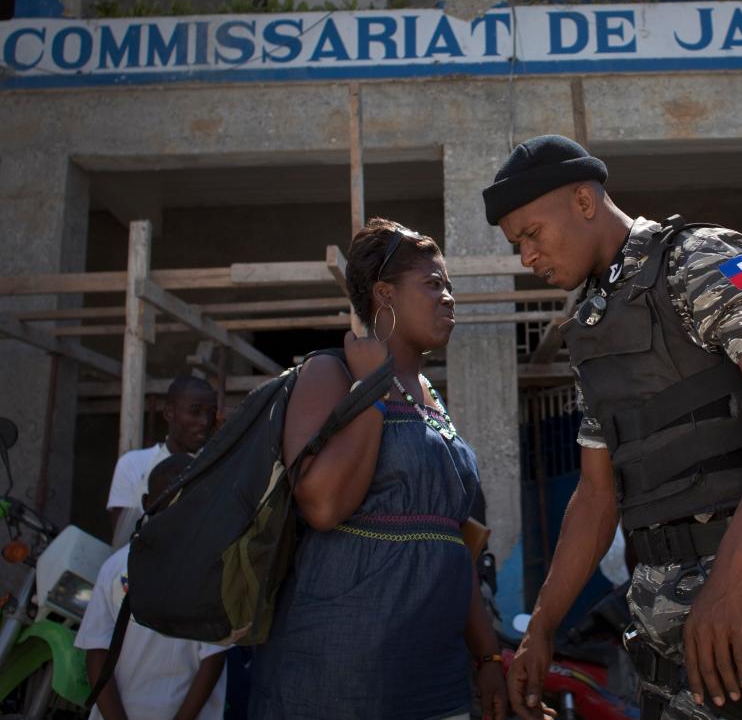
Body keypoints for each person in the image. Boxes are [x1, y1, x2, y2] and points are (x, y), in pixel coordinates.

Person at [487, 135, 742, 720]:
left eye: (531, 234)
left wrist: (731, 573)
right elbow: (597, 496)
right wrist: (541, 627)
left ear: (584, 202)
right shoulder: (592, 324)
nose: (526, 257)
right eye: (517, 244)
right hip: (660, 627)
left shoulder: (696, 259)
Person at [248, 218, 509, 720]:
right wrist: (371, 391)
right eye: (434, 284)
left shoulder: (433, 397)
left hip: (435, 675)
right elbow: (322, 505)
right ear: (385, 294)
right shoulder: (330, 374)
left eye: (449, 286)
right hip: (344, 672)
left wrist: (487, 654)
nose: (449, 297)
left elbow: (453, 543)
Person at [78, 453, 228, 720]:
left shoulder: (211, 572)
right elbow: (96, 651)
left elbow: (213, 659)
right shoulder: (115, 568)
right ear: (147, 503)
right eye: (169, 500)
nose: (178, 511)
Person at [106, 376, 216, 547]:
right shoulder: (134, 464)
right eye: (195, 411)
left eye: (211, 413)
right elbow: (122, 540)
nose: (204, 421)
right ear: (168, 413)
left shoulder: (216, 464)